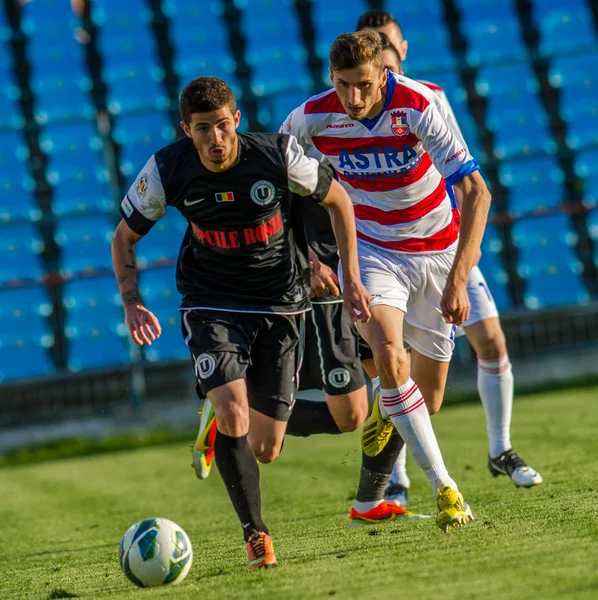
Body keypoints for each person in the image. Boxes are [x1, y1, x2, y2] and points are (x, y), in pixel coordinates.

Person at [110, 76, 371, 568]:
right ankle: (257, 536)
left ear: (238, 120)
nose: (215, 138)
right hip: (211, 301)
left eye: (223, 126)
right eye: (203, 128)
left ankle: (221, 420)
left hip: (280, 303)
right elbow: (123, 239)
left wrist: (347, 275)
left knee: (266, 447)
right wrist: (132, 301)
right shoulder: (168, 168)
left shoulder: (277, 155)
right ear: (186, 129)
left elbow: (339, 201)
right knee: (236, 415)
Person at [283, 30, 492, 531]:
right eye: (341, 86)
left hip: (437, 251)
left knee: (427, 397)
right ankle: (447, 488)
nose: (352, 99)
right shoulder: (310, 118)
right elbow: (279, 179)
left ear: (383, 74)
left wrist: (459, 280)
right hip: (374, 253)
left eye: (362, 85)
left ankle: (372, 481)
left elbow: (476, 192)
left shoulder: (418, 103)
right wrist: (310, 255)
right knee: (391, 358)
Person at [357, 9, 543, 495]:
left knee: (493, 343)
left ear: (402, 50)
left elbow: (463, 177)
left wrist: (462, 260)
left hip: (447, 249)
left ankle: (500, 450)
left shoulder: (429, 98)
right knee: (396, 366)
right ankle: (395, 479)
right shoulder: (349, 114)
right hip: (391, 257)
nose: (386, 55)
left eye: (390, 45)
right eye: (376, 47)